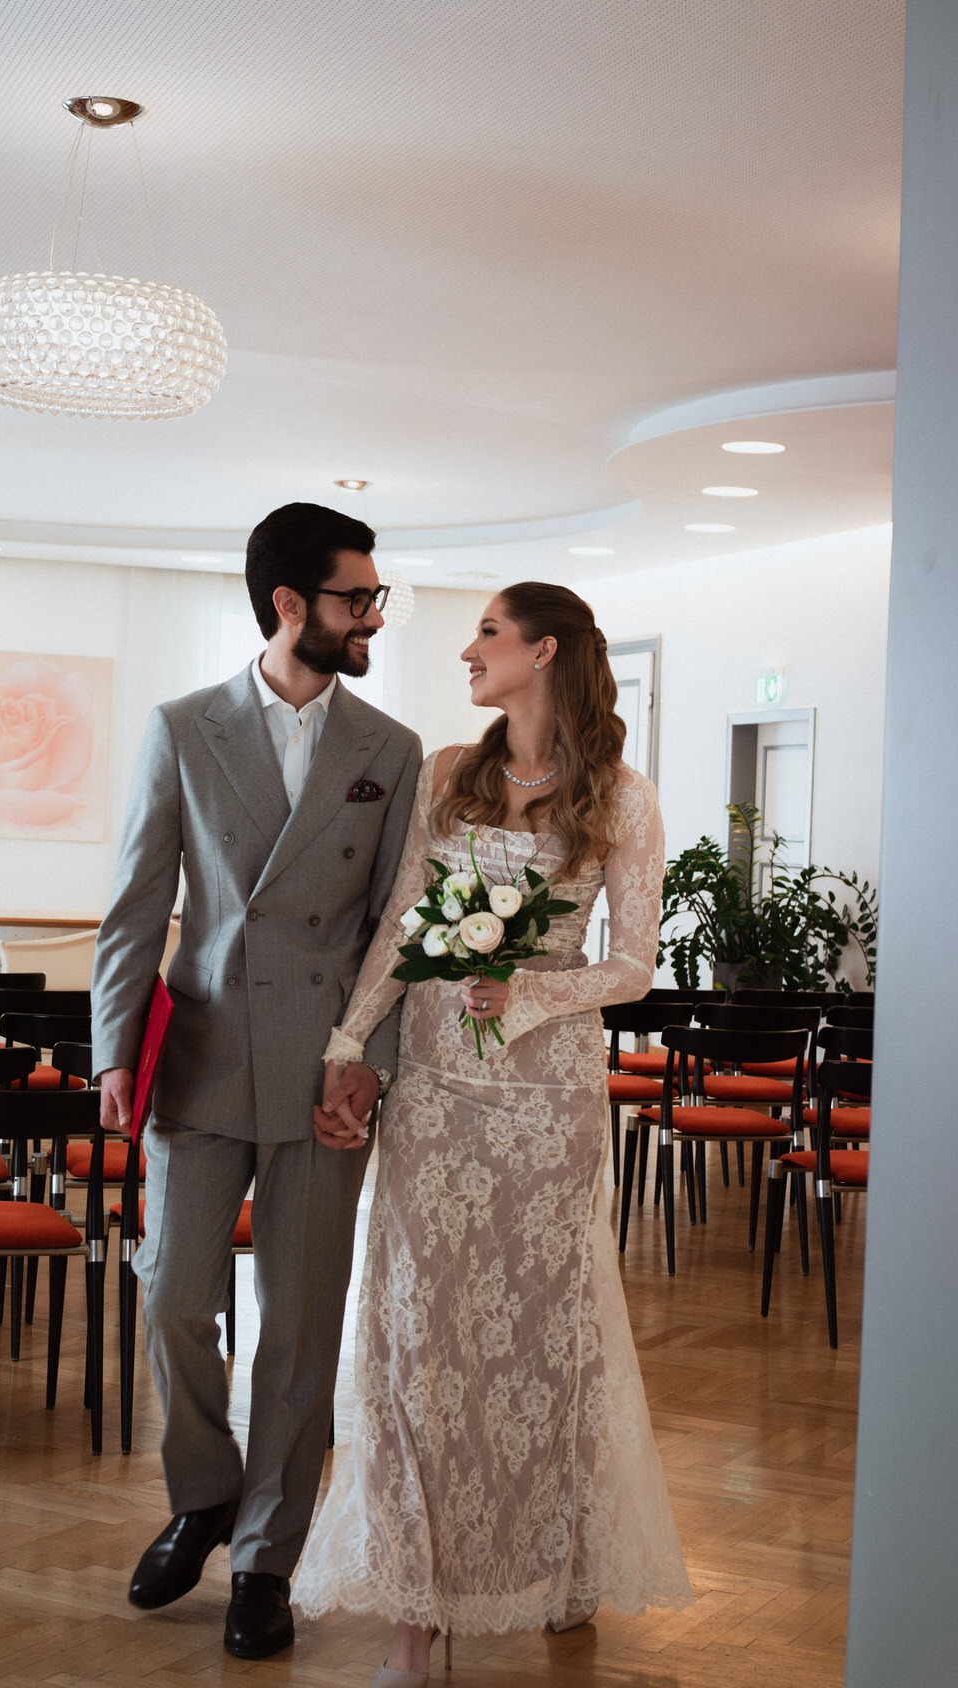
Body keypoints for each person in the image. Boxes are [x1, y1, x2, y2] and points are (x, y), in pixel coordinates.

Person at [294, 583, 691, 1685]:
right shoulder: (449, 778)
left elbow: (633, 962)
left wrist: (523, 992)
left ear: (543, 651)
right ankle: (415, 1615)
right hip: (434, 1084)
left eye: (487, 633)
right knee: (418, 1335)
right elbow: (401, 922)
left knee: (536, 1339)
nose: (467, 650)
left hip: (546, 1099)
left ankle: (552, 1559)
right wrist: (348, 1036)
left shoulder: (622, 797)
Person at [91, 502, 422, 1663]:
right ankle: (202, 1493)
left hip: (326, 1072)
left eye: (376, 596)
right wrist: (113, 1051)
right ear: (290, 604)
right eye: (356, 597)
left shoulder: (390, 747)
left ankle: (266, 1557)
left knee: (299, 1325)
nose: (372, 613)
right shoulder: (183, 726)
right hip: (202, 1060)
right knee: (175, 1290)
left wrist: (367, 1067)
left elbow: (393, 928)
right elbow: (137, 902)